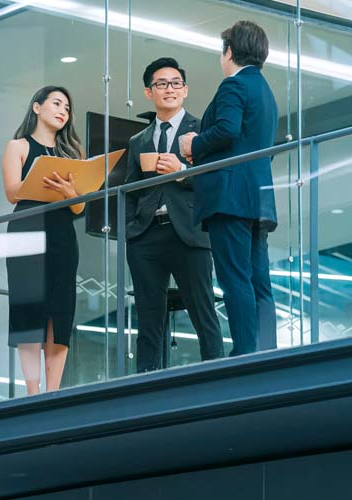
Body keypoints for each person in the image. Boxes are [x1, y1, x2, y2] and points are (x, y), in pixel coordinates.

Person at [179, 20, 278, 356]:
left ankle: (246, 353)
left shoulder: (233, 86)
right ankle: (266, 351)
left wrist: (194, 144)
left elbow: (227, 130)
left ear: (230, 51)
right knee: (258, 280)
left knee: (234, 278)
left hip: (229, 198)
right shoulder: (266, 91)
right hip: (259, 199)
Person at [124, 57, 224, 372]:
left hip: (190, 233)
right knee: (148, 318)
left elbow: (215, 178)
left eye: (175, 83)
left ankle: (216, 379)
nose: (169, 89)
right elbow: (129, 188)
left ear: (185, 91)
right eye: (161, 84)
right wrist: (131, 227)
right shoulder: (138, 141)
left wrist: (182, 171)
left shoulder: (203, 130)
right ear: (148, 93)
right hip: (146, 236)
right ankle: (143, 387)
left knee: (203, 312)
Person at [2, 86, 85, 395]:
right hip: (27, 230)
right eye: (56, 103)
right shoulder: (19, 146)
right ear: (37, 107)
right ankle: (32, 393)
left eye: (67, 106)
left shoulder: (73, 154)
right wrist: (42, 180)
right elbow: (12, 192)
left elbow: (80, 207)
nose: (63, 110)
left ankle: (53, 392)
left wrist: (69, 194)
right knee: (29, 311)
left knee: (60, 312)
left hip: (63, 234)